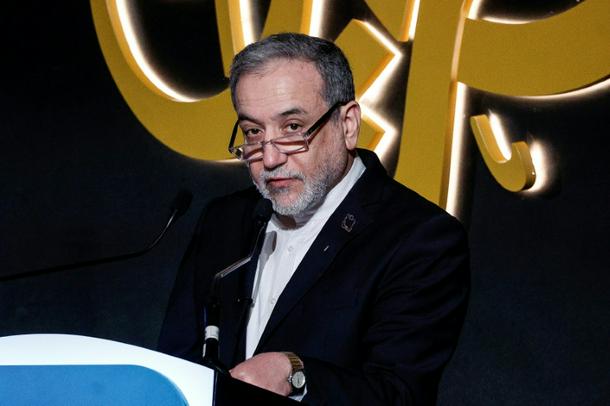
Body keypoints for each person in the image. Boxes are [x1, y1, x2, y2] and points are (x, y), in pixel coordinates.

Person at [158, 32, 469, 405]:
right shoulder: (223, 220)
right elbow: (174, 365)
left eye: (292, 128)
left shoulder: (421, 238)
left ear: (348, 124)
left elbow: (400, 394)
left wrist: (297, 375)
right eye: (253, 132)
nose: (270, 158)